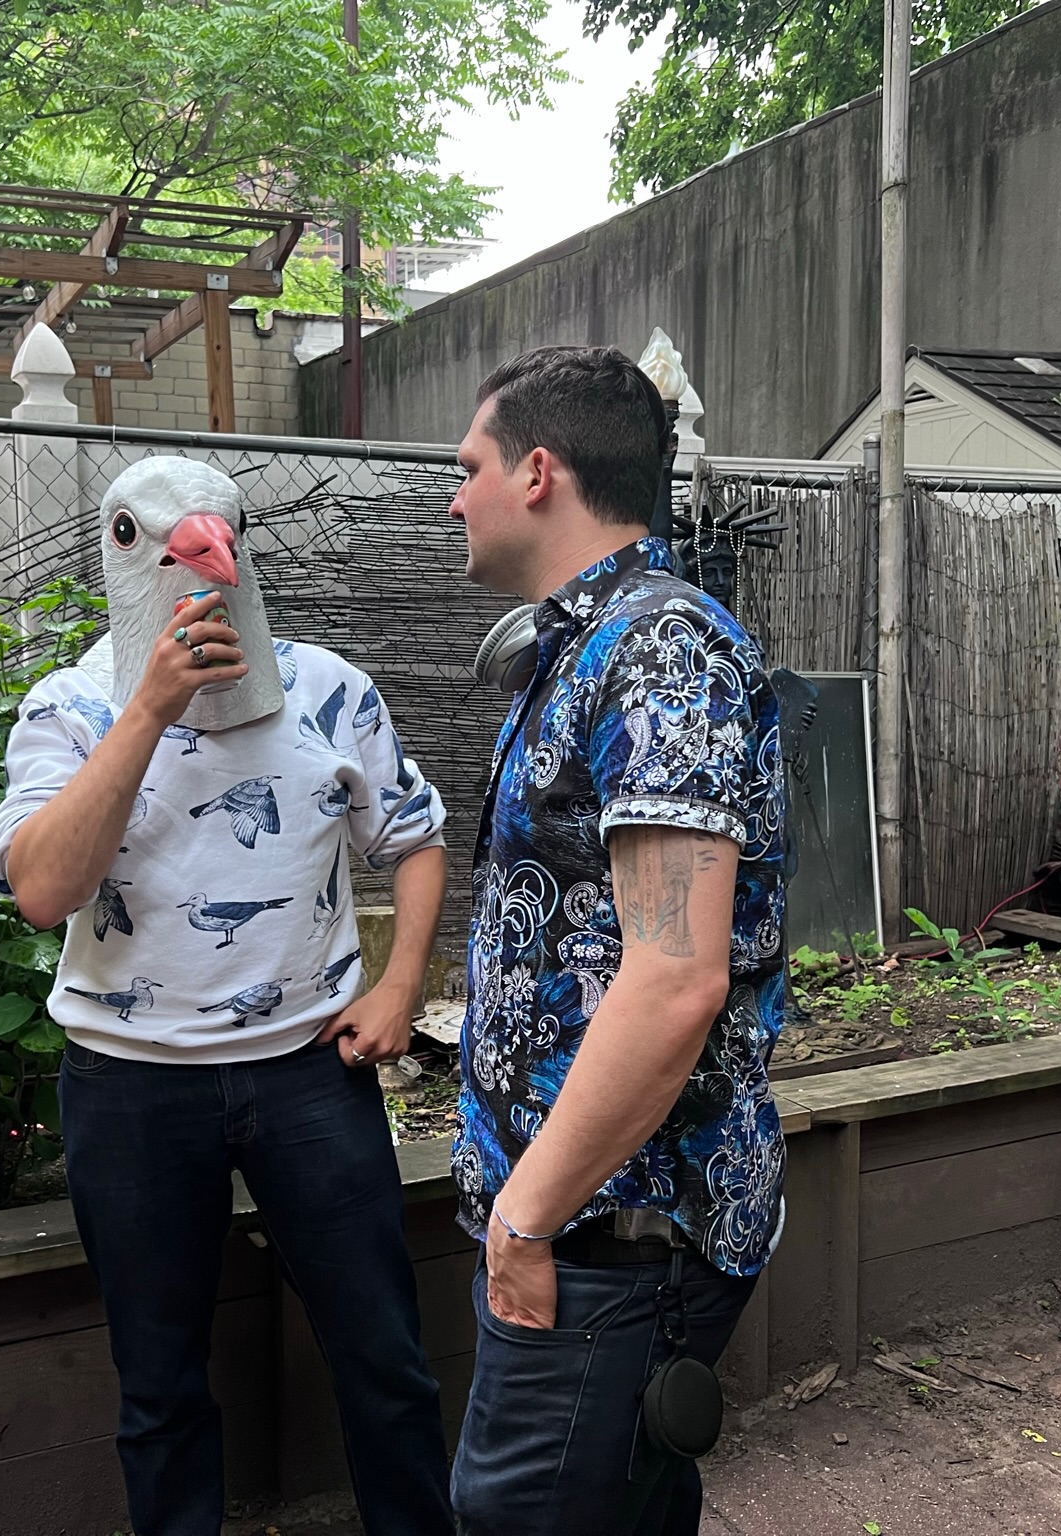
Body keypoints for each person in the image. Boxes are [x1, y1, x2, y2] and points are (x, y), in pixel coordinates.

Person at [0, 455, 456, 1536]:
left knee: (383, 1359)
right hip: (128, 1089)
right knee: (158, 1388)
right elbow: (44, 890)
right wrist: (145, 708)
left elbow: (417, 842)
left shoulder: (331, 691)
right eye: (156, 536)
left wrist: (399, 986)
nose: (191, 552)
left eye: (211, 530)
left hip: (310, 1078)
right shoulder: (65, 708)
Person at [445, 347, 786, 1533]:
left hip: (611, 1229)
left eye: (468, 466)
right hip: (585, 1217)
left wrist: (525, 1219)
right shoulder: (583, 650)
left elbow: (672, 977)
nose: (455, 497)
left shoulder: (657, 653)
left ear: (537, 472)